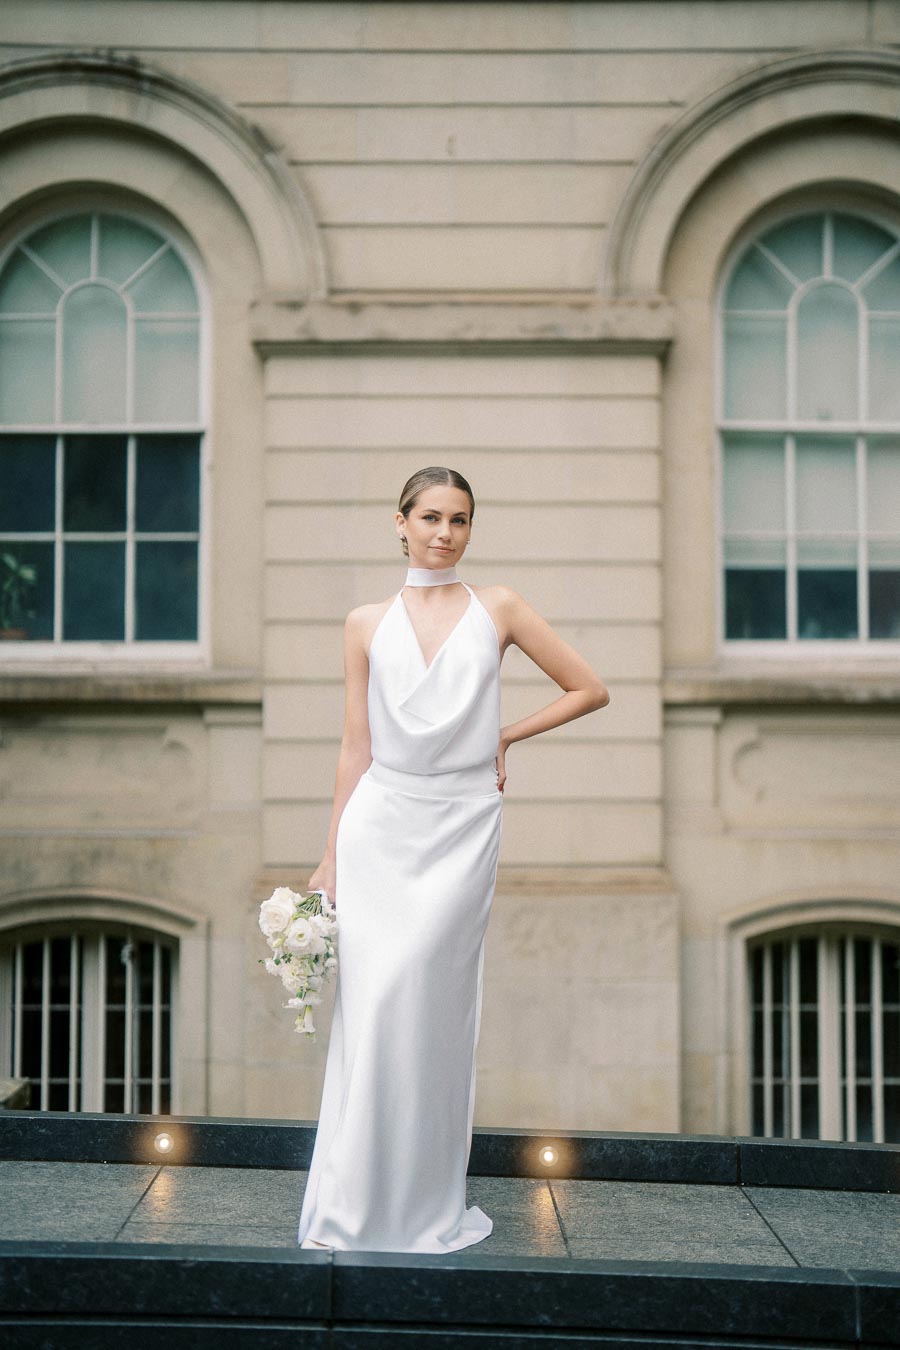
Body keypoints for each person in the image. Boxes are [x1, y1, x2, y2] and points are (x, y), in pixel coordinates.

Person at [297, 465, 609, 1252]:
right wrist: (329, 856)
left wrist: (505, 734)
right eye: (430, 517)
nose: (444, 533)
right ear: (399, 522)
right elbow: (353, 746)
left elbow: (589, 688)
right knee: (372, 1010)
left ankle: (423, 1201)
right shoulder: (364, 621)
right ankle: (353, 1202)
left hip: (462, 825)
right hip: (381, 826)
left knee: (430, 1012)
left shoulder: (496, 607)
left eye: (460, 520)